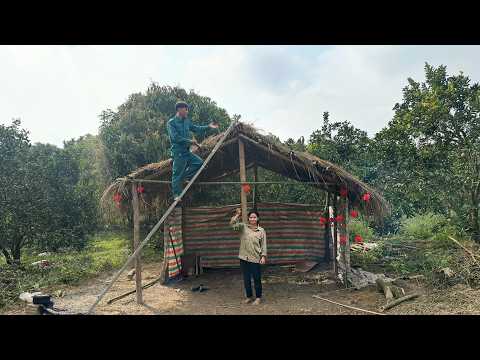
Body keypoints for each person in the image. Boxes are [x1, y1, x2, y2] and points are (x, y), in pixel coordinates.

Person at [167, 101, 219, 201]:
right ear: (179, 109)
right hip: (178, 152)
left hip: (187, 151)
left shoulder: (186, 121)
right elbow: (175, 138)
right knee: (177, 173)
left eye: (187, 109)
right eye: (185, 109)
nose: (187, 111)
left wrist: (208, 127)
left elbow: (196, 128)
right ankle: (176, 195)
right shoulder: (171, 122)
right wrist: (190, 141)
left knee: (199, 163)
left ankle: (184, 177)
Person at [230, 208, 267, 305]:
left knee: (257, 278)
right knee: (246, 279)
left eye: (254, 217)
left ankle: (258, 297)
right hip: (243, 258)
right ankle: (249, 297)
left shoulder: (261, 231)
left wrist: (263, 256)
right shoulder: (243, 227)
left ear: (257, 218)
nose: (252, 219)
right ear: (248, 218)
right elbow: (232, 225)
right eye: (251, 217)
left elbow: (263, 245)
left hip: (255, 258)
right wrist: (238, 215)